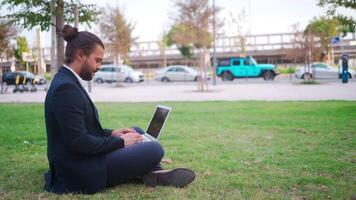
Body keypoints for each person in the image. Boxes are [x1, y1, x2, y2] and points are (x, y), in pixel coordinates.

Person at [43, 24, 195, 194]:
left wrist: (112, 133)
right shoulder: (66, 89)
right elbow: (79, 142)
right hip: (80, 170)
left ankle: (152, 173)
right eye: (98, 60)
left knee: (136, 132)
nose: (99, 66)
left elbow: (81, 129)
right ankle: (151, 172)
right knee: (154, 148)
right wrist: (121, 142)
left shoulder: (66, 81)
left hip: (84, 159)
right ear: (80, 55)